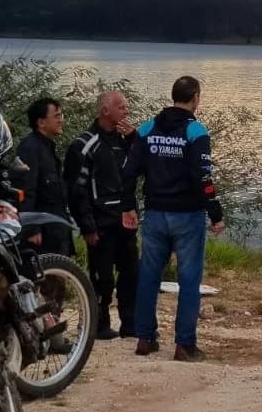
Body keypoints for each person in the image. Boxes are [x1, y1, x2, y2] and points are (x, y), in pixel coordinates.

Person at [122, 75, 225, 361]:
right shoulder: (195, 131)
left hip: (155, 215)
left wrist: (128, 206)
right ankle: (184, 345)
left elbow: (129, 171)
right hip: (188, 216)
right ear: (195, 97)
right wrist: (215, 212)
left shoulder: (147, 128)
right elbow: (203, 177)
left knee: (148, 278)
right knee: (189, 281)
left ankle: (145, 339)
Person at [64, 90, 139, 341]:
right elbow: (76, 190)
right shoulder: (84, 144)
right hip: (100, 224)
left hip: (126, 222)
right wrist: (87, 227)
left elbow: (142, 169)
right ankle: (97, 323)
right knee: (102, 278)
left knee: (131, 274)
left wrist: (134, 141)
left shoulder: (124, 140)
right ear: (105, 110)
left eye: (126, 107)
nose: (126, 112)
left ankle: (130, 322)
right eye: (122, 107)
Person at [15, 97, 73, 255]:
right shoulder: (30, 147)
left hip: (56, 228)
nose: (61, 120)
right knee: (43, 279)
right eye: (56, 116)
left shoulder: (48, 147)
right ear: (41, 122)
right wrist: (31, 229)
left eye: (61, 116)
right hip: (42, 234)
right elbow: (25, 190)